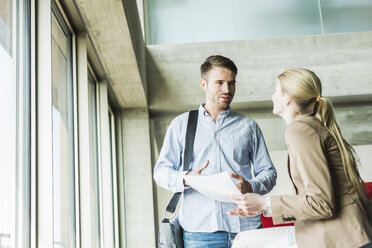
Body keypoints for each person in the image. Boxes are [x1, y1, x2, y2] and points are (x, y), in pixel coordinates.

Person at [228, 68, 372, 248]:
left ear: (287, 97)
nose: (273, 97)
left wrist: (265, 204)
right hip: (334, 230)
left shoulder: (299, 130)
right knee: (244, 241)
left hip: (341, 237)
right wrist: (262, 206)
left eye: (275, 91)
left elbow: (322, 203)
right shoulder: (310, 126)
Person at [153, 55, 277, 248]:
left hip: (246, 229)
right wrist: (187, 178)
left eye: (231, 83)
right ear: (204, 84)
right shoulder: (181, 125)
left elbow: (269, 173)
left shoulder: (249, 126)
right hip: (199, 233)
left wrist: (250, 186)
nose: (227, 90)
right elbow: (160, 172)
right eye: (219, 83)